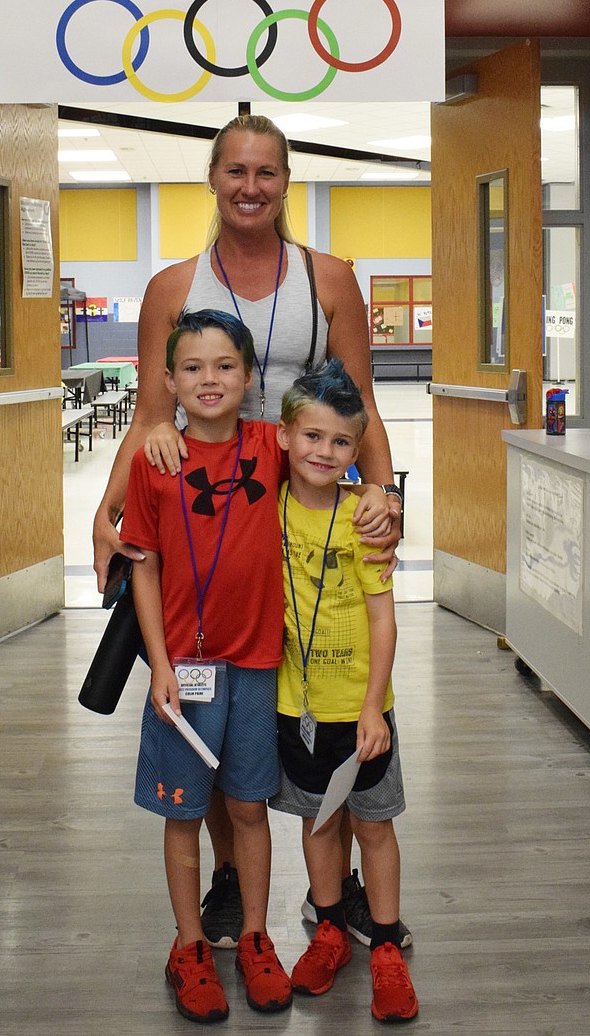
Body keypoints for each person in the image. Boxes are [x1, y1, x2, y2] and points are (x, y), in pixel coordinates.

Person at [92, 112, 404, 945]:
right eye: (236, 170)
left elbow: (361, 405)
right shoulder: (172, 287)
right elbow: (149, 414)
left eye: (266, 172)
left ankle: (332, 884)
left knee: (302, 695)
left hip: (301, 513)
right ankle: (231, 877)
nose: (250, 186)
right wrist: (106, 506)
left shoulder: (329, 278)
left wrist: (385, 492)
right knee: (218, 713)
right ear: (213, 179)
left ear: (286, 182)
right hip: (206, 522)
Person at [120, 309, 293, 1024]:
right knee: (184, 813)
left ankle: (255, 935)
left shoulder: (272, 445)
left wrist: (379, 494)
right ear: (169, 381)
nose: (210, 379)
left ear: (250, 377)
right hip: (184, 671)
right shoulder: (154, 460)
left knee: (250, 808)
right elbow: (145, 569)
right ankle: (190, 943)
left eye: (225, 365)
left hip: (256, 664)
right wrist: (158, 664)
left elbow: (344, 432)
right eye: (192, 368)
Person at [270, 359, 418, 1023]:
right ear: (283, 437)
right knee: (318, 822)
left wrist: (372, 706)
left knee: (375, 825)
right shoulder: (265, 511)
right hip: (295, 709)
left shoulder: (366, 517)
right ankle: (329, 926)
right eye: (312, 437)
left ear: (358, 451)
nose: (324, 452)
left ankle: (384, 943)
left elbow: (384, 617)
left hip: (362, 712)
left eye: (340, 442)